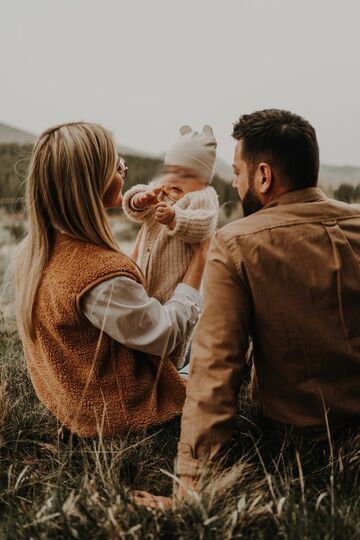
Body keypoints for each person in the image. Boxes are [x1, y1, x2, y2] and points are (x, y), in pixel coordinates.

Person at [135, 108, 360, 507]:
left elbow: (217, 367)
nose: (235, 184)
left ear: (263, 176)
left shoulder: (237, 243)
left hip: (302, 441)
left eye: (237, 173)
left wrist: (192, 489)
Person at [14, 122, 209, 438]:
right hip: (125, 412)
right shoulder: (99, 278)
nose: (124, 167)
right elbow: (166, 335)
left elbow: (121, 276)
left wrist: (148, 233)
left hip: (74, 402)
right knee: (225, 342)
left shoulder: (40, 251)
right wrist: (200, 257)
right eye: (114, 163)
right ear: (90, 181)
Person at [123, 125, 219, 367]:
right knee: (141, 332)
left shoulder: (202, 197)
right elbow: (136, 210)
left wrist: (175, 218)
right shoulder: (160, 188)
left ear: (203, 179)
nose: (176, 179)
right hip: (145, 283)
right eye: (172, 171)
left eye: (187, 175)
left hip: (175, 288)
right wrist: (138, 200)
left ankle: (174, 374)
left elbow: (204, 224)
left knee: (171, 342)